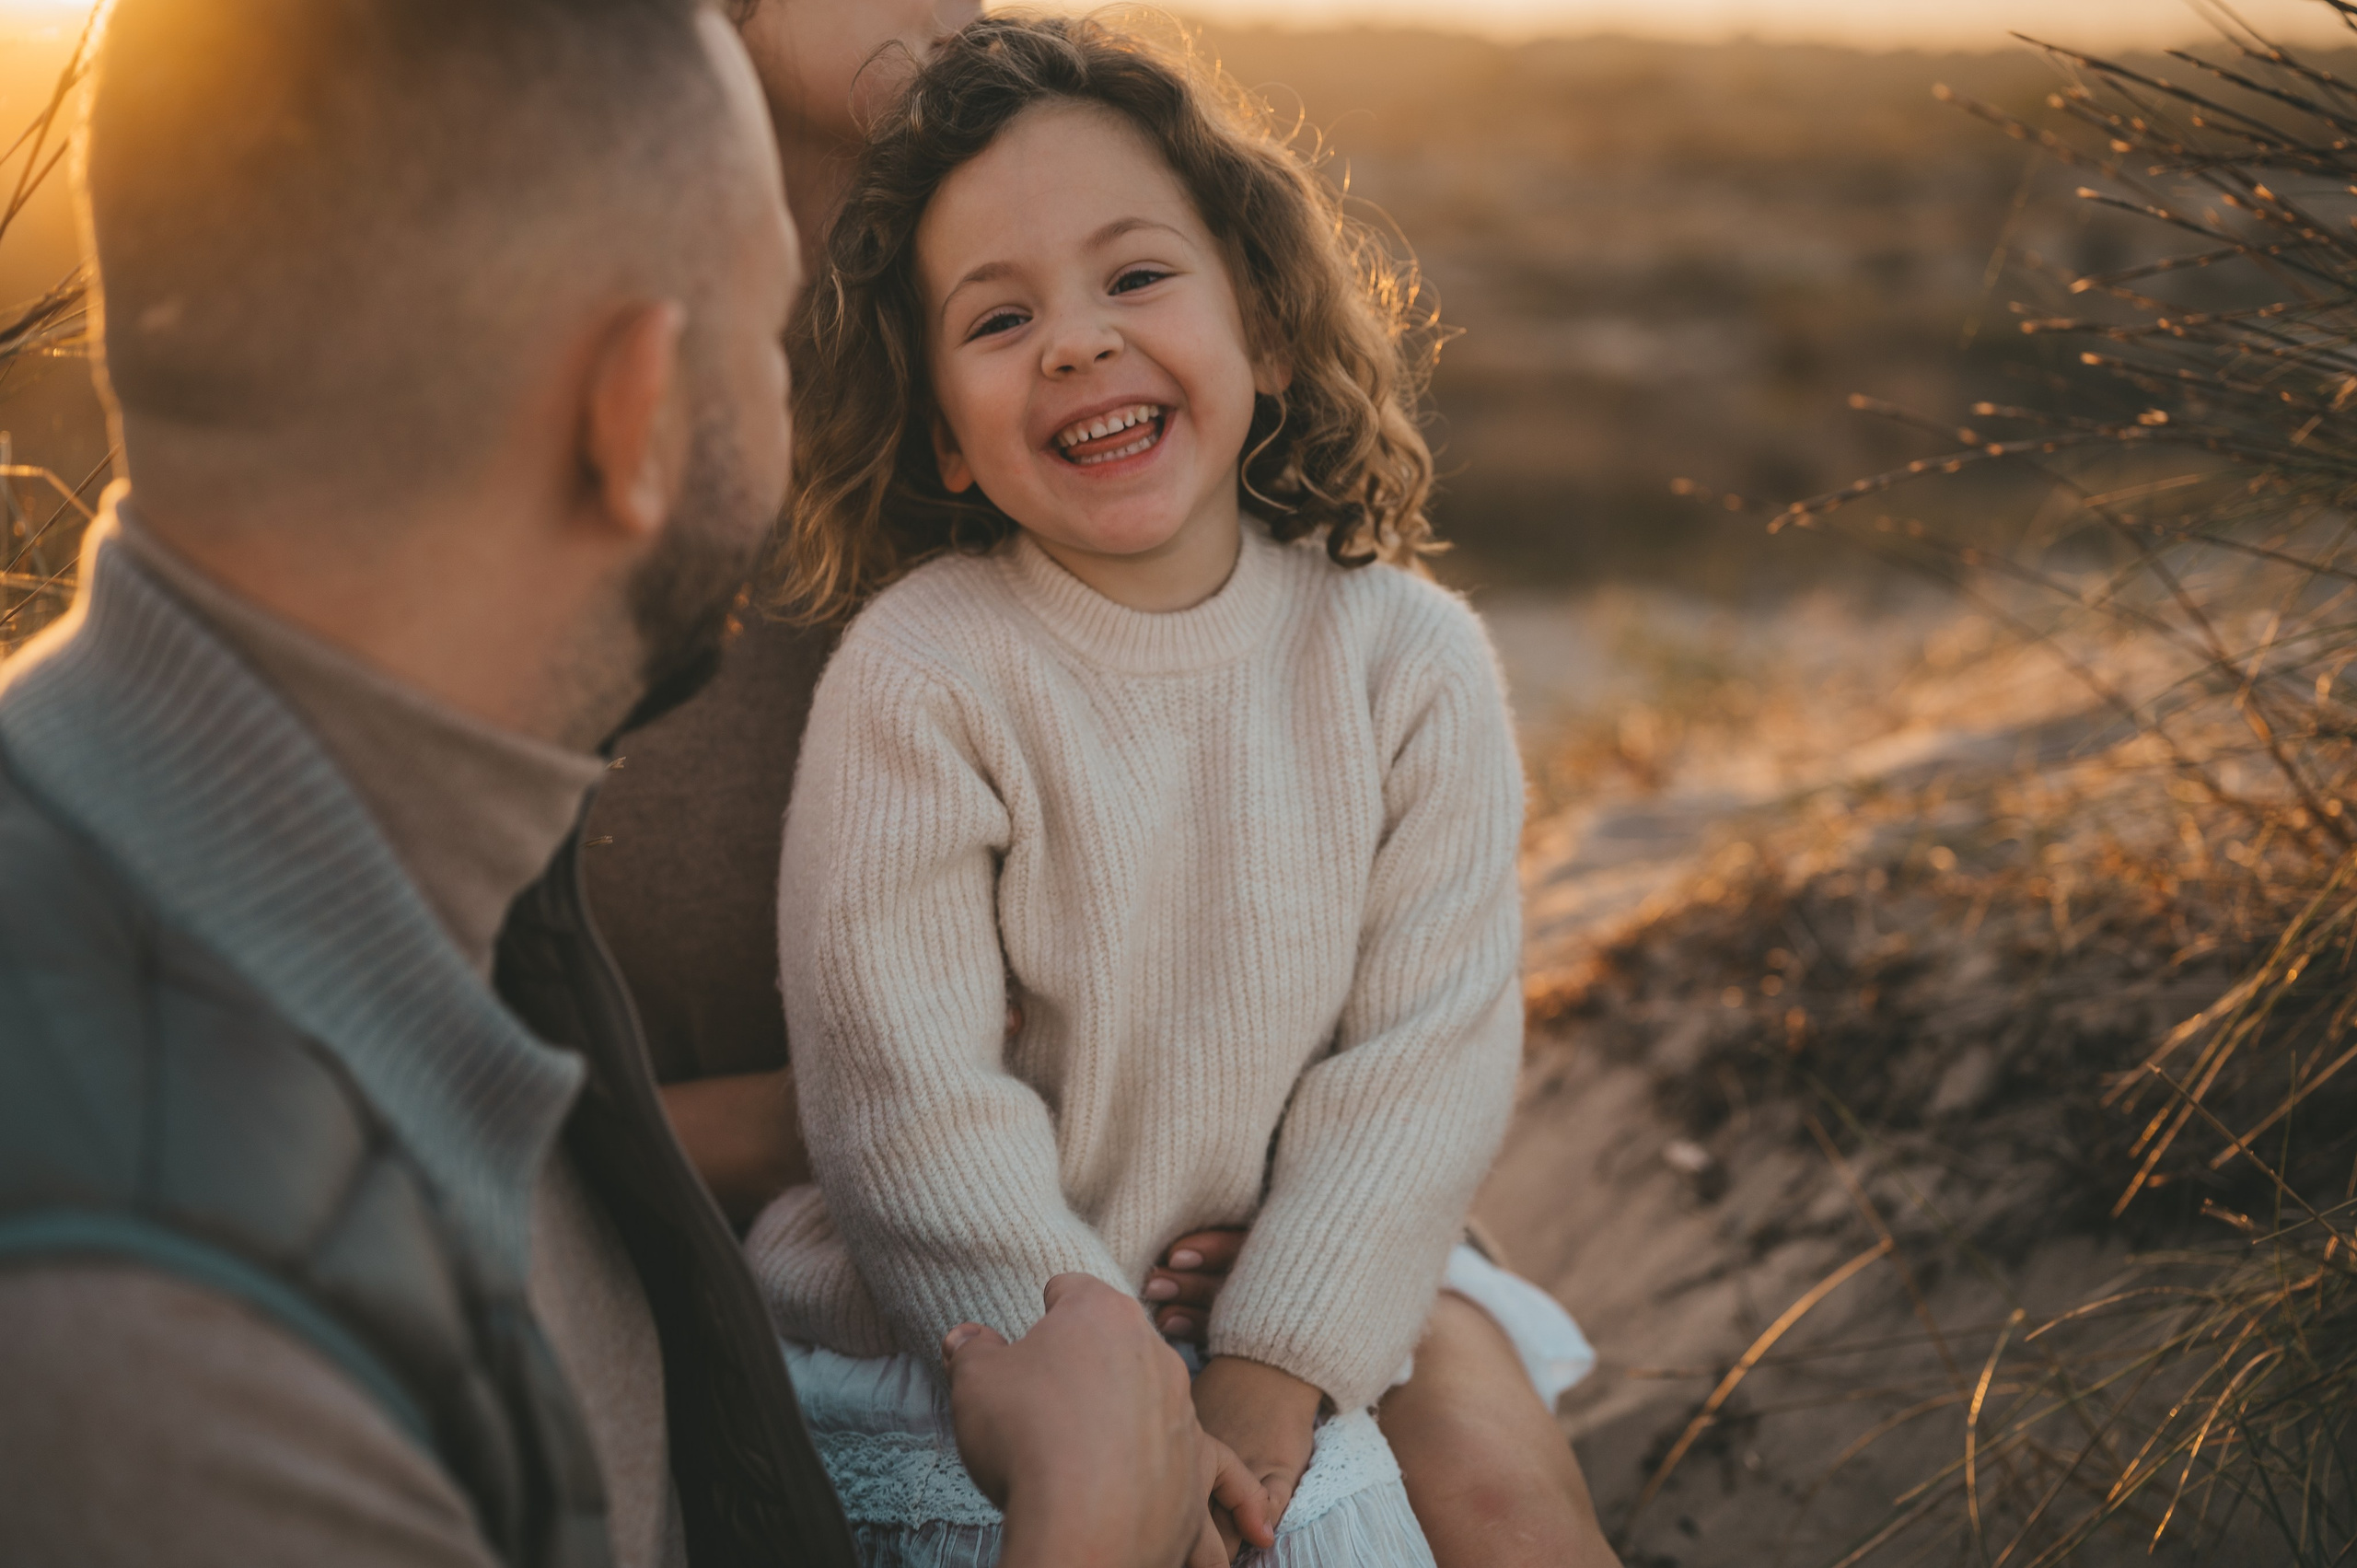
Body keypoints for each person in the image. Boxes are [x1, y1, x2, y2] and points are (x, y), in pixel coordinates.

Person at [0, 3, 1231, 1566]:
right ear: (638, 411)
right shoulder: (164, 1304)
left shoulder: (416, 878)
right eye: (765, 341)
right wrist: (1091, 1528)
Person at [587, 6, 1621, 1566]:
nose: (1076, 339)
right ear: (935, 420)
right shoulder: (923, 662)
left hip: (1278, 1300)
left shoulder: (1401, 659)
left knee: (1483, 1512)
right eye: (1001, 321)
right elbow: (904, 1094)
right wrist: (1098, 1407)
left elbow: (1427, 1051)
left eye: (1136, 279)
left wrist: (1282, 1356)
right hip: (954, 1348)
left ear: (1266, 325)